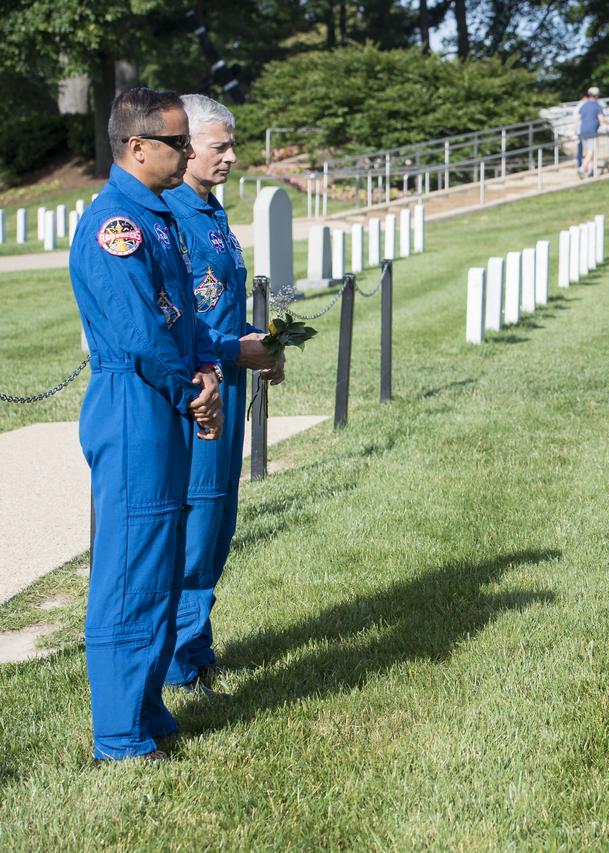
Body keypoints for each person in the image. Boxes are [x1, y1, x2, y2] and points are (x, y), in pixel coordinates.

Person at [69, 87, 270, 762]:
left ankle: (148, 705)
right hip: (135, 404)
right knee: (131, 569)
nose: (188, 153)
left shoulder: (155, 216)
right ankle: (119, 735)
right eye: (177, 143)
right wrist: (195, 385)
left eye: (190, 142)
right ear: (135, 147)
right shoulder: (116, 224)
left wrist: (207, 370)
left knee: (161, 562)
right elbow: (141, 331)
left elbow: (181, 319)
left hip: (166, 394)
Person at [162, 94, 284, 697]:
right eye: (220, 147)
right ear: (184, 149)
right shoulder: (172, 217)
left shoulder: (210, 212)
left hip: (229, 381)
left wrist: (262, 347)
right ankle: (183, 663)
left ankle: (197, 646)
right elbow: (177, 318)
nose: (233, 158)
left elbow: (223, 305)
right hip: (198, 391)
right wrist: (239, 352)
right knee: (199, 516)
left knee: (218, 520)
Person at [576, 86, 609, 179]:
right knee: (592, 151)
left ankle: (591, 170)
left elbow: (578, 119)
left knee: (589, 151)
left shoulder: (584, 105)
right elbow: (602, 119)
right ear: (597, 96)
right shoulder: (597, 106)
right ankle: (582, 168)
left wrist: (575, 130)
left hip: (582, 130)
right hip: (591, 131)